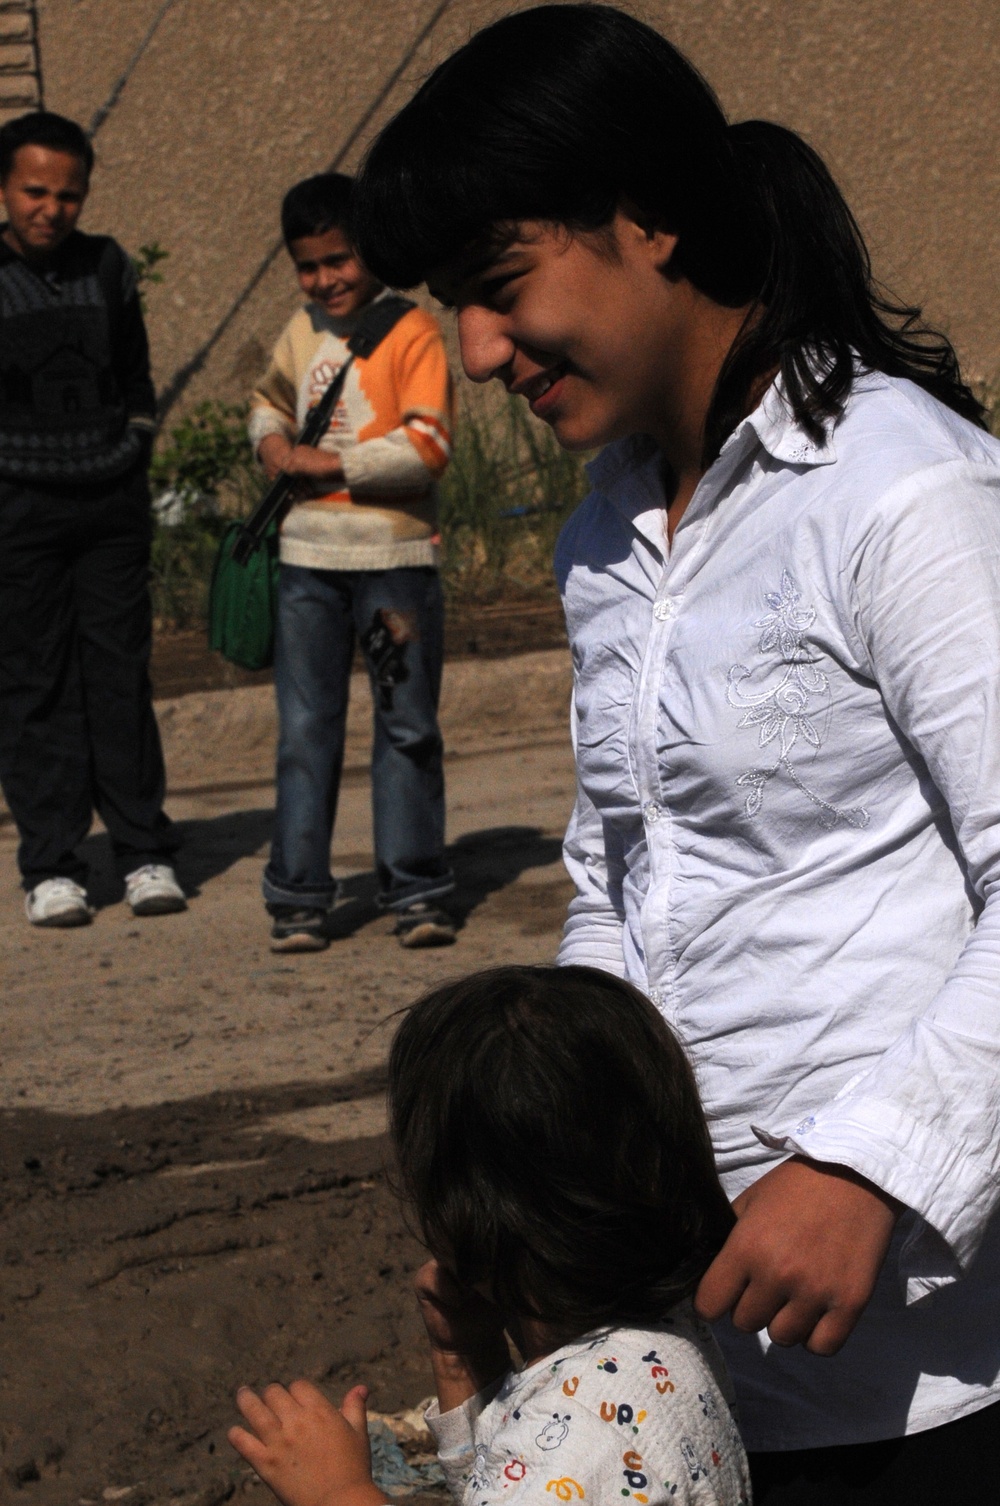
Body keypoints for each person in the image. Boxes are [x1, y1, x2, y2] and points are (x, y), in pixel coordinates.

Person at [348, 5, 1000, 1501]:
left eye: (500, 286)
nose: (480, 350)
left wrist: (873, 1168)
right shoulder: (607, 538)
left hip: (932, 1381)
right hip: (684, 1369)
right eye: (454, 303)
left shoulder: (901, 496)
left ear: (649, 219)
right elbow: (622, 883)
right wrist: (543, 1186)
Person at [229, 964, 751, 1505]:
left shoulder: (582, 1436)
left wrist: (338, 1492)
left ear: (464, 1214)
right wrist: (466, 1358)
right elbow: (503, 1482)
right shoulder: (664, 1342)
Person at [248, 172, 456, 953]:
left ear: (370, 251)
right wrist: (272, 446)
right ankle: (298, 895)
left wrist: (320, 466)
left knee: (406, 725)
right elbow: (266, 401)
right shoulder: (299, 333)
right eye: (308, 265)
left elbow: (428, 449)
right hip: (307, 563)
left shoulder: (414, 334)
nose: (325, 279)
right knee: (306, 728)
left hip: (393, 565)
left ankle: (418, 888)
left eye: (338, 260)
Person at [0, 110, 185, 927]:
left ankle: (143, 852)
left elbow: (136, 379)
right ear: (4, 188)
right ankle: (52, 864)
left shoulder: (109, 266)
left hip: (109, 509)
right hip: (18, 514)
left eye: (68, 193)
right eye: (35, 190)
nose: (52, 208)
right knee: (34, 686)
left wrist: (134, 445)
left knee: (118, 679)